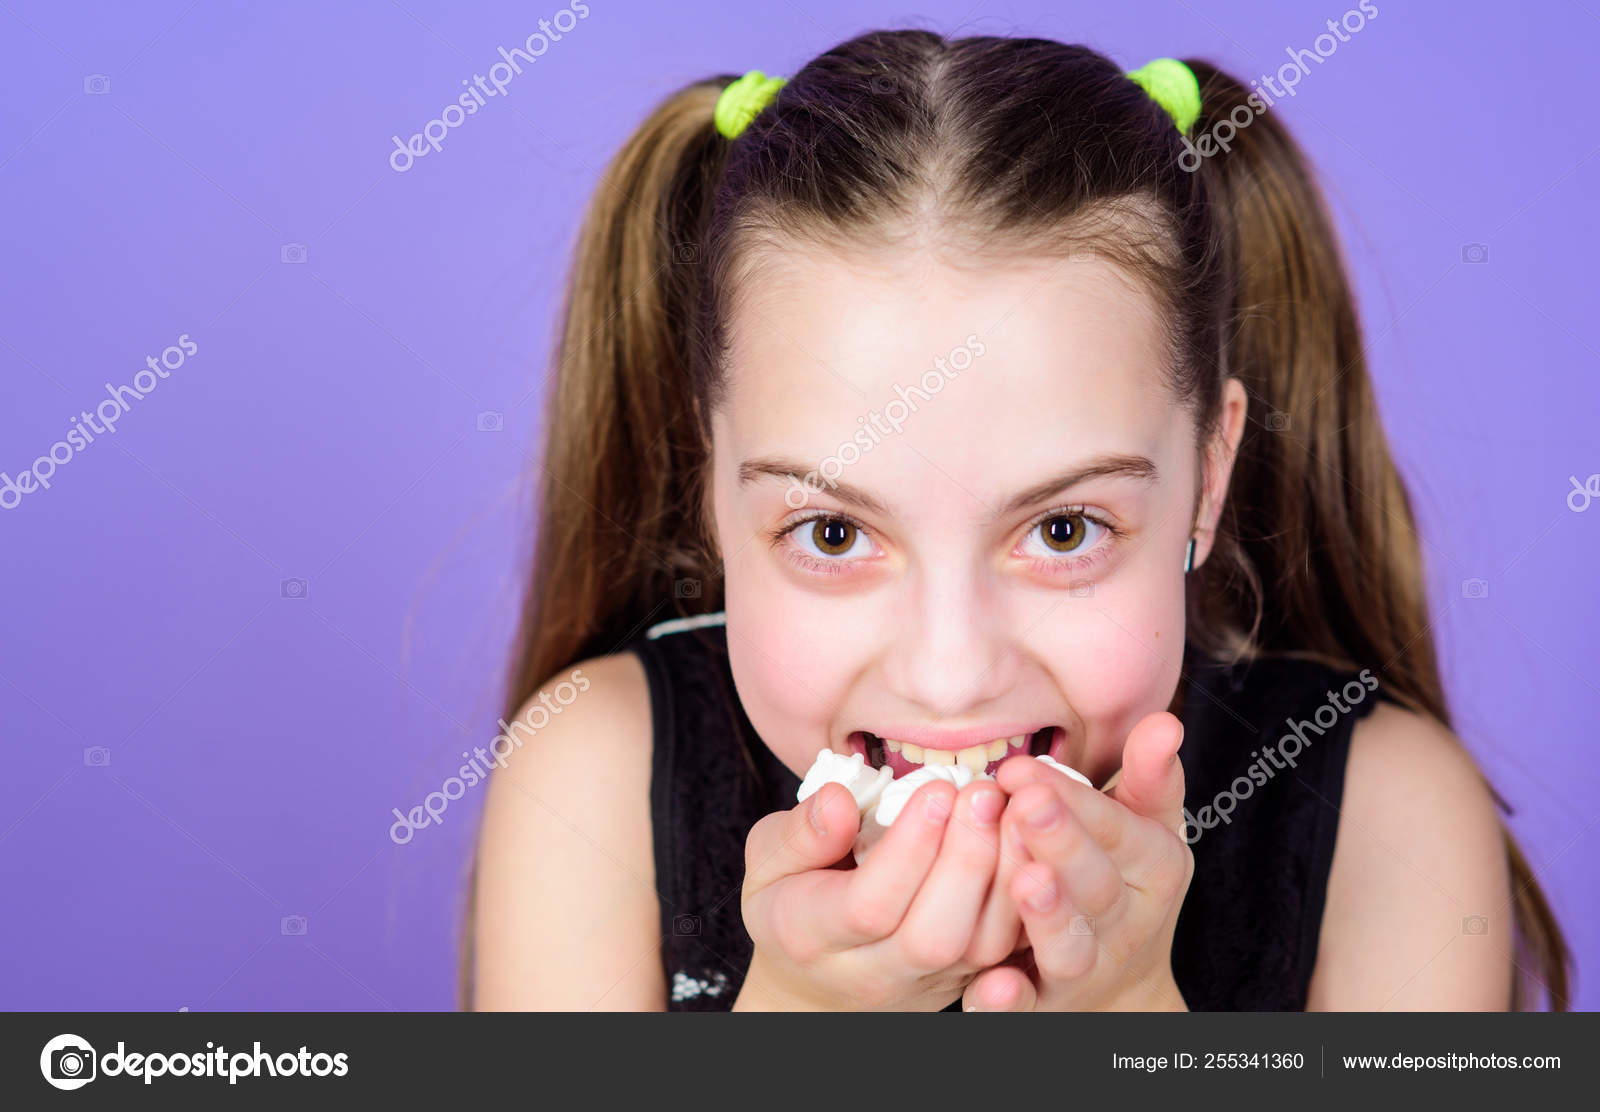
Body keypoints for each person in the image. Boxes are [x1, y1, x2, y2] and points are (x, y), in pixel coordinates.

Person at [462, 30, 1569, 1011]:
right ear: (713, 484)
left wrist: (1126, 1016)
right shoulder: (591, 774)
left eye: (1064, 530)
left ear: (1207, 476)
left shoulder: (1390, 818)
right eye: (835, 534)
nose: (950, 675)